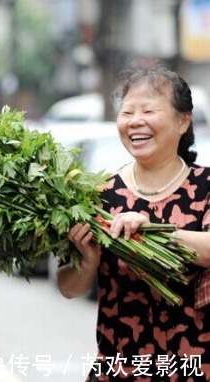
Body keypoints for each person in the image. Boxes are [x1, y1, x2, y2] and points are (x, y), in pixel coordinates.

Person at [57, 66, 210, 381]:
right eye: (127, 112)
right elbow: (69, 288)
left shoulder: (206, 186)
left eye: (149, 110)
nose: (135, 121)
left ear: (184, 120)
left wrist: (151, 231)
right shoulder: (100, 195)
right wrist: (87, 261)